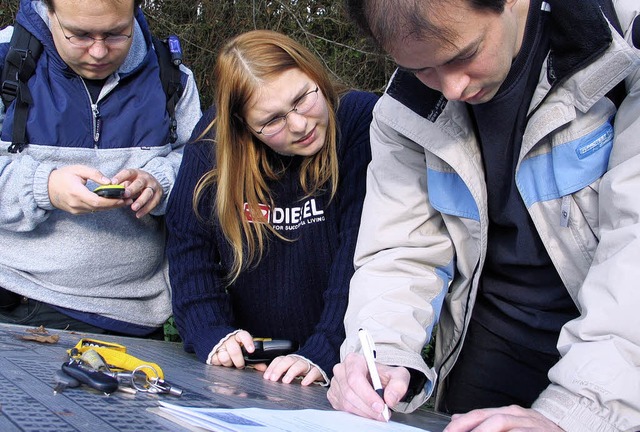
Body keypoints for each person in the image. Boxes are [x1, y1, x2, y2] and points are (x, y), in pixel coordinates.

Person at [327, 0, 640, 430]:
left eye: (463, 55)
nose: (452, 88)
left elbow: (634, 246)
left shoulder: (626, 47)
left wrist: (578, 412)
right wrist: (379, 352)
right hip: (487, 362)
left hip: (618, 372)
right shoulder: (404, 112)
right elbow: (400, 252)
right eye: (423, 69)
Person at [166, 29, 377, 385]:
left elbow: (360, 252)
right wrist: (214, 333)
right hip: (248, 373)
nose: (299, 125)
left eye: (302, 99)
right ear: (244, 127)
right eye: (272, 121)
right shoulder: (215, 139)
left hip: (340, 368)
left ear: (314, 74)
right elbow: (189, 244)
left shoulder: (358, 121)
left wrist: (323, 352)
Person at [0, 0, 201, 338]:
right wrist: (44, 188)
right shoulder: (7, 60)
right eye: (79, 35)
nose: (98, 52)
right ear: (49, 11)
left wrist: (161, 182)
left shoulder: (172, 76)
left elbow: (200, 168)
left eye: (115, 34)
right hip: (13, 300)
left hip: (129, 317)